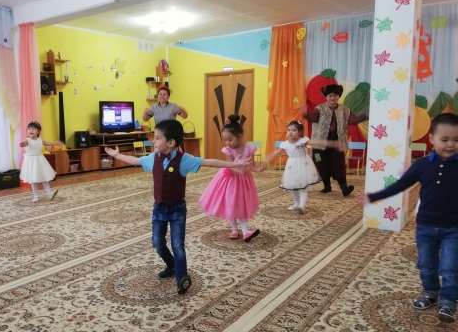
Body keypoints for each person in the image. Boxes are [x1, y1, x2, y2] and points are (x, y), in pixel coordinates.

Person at [105, 119, 251, 295]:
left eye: (157, 138)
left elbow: (207, 161)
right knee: (157, 243)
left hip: (177, 210)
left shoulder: (184, 160)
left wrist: (233, 164)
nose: (153, 141)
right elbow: (135, 160)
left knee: (177, 245)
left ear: (171, 143)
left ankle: (182, 278)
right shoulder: (153, 158)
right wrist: (117, 156)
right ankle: (172, 266)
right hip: (159, 209)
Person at [360, 113, 458, 323]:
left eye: (456, 140)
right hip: (426, 227)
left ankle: (448, 301)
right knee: (426, 264)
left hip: (454, 227)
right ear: (431, 138)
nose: (450, 145)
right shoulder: (421, 165)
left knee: (450, 266)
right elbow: (400, 185)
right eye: (444, 139)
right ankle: (430, 294)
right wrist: (373, 197)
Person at [198, 114, 264, 242]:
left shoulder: (249, 149)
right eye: (225, 140)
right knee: (231, 203)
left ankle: (245, 232)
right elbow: (229, 166)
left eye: (230, 139)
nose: (227, 143)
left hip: (244, 182)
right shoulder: (228, 150)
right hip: (231, 180)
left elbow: (252, 166)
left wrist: (258, 169)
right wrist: (240, 172)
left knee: (242, 204)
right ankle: (234, 229)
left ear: (239, 137)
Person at [300, 84, 368, 196]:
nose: (332, 98)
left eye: (335, 95)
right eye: (330, 96)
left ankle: (344, 188)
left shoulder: (345, 110)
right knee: (320, 164)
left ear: (338, 96)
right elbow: (313, 118)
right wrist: (306, 115)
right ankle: (327, 186)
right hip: (319, 146)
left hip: (337, 144)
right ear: (326, 97)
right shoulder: (319, 109)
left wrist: (365, 115)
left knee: (338, 165)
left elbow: (354, 120)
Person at [268, 121, 338, 214]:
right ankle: (297, 203)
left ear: (300, 132)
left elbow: (316, 142)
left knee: (303, 186)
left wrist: (331, 143)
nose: (290, 132)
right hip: (291, 166)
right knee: (292, 186)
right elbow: (277, 152)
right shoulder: (284, 144)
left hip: (303, 165)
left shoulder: (302, 141)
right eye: (289, 130)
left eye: (294, 130)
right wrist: (271, 155)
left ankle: (302, 205)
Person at [19, 121, 63, 202]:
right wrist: (22, 144)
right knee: (33, 179)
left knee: (44, 177)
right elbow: (25, 143)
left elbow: (48, 143)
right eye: (29, 129)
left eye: (33, 129)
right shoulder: (27, 140)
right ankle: (35, 196)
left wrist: (56, 143)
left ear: (38, 131)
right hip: (31, 161)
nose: (31, 130)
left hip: (40, 160)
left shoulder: (40, 140)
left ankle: (49, 194)